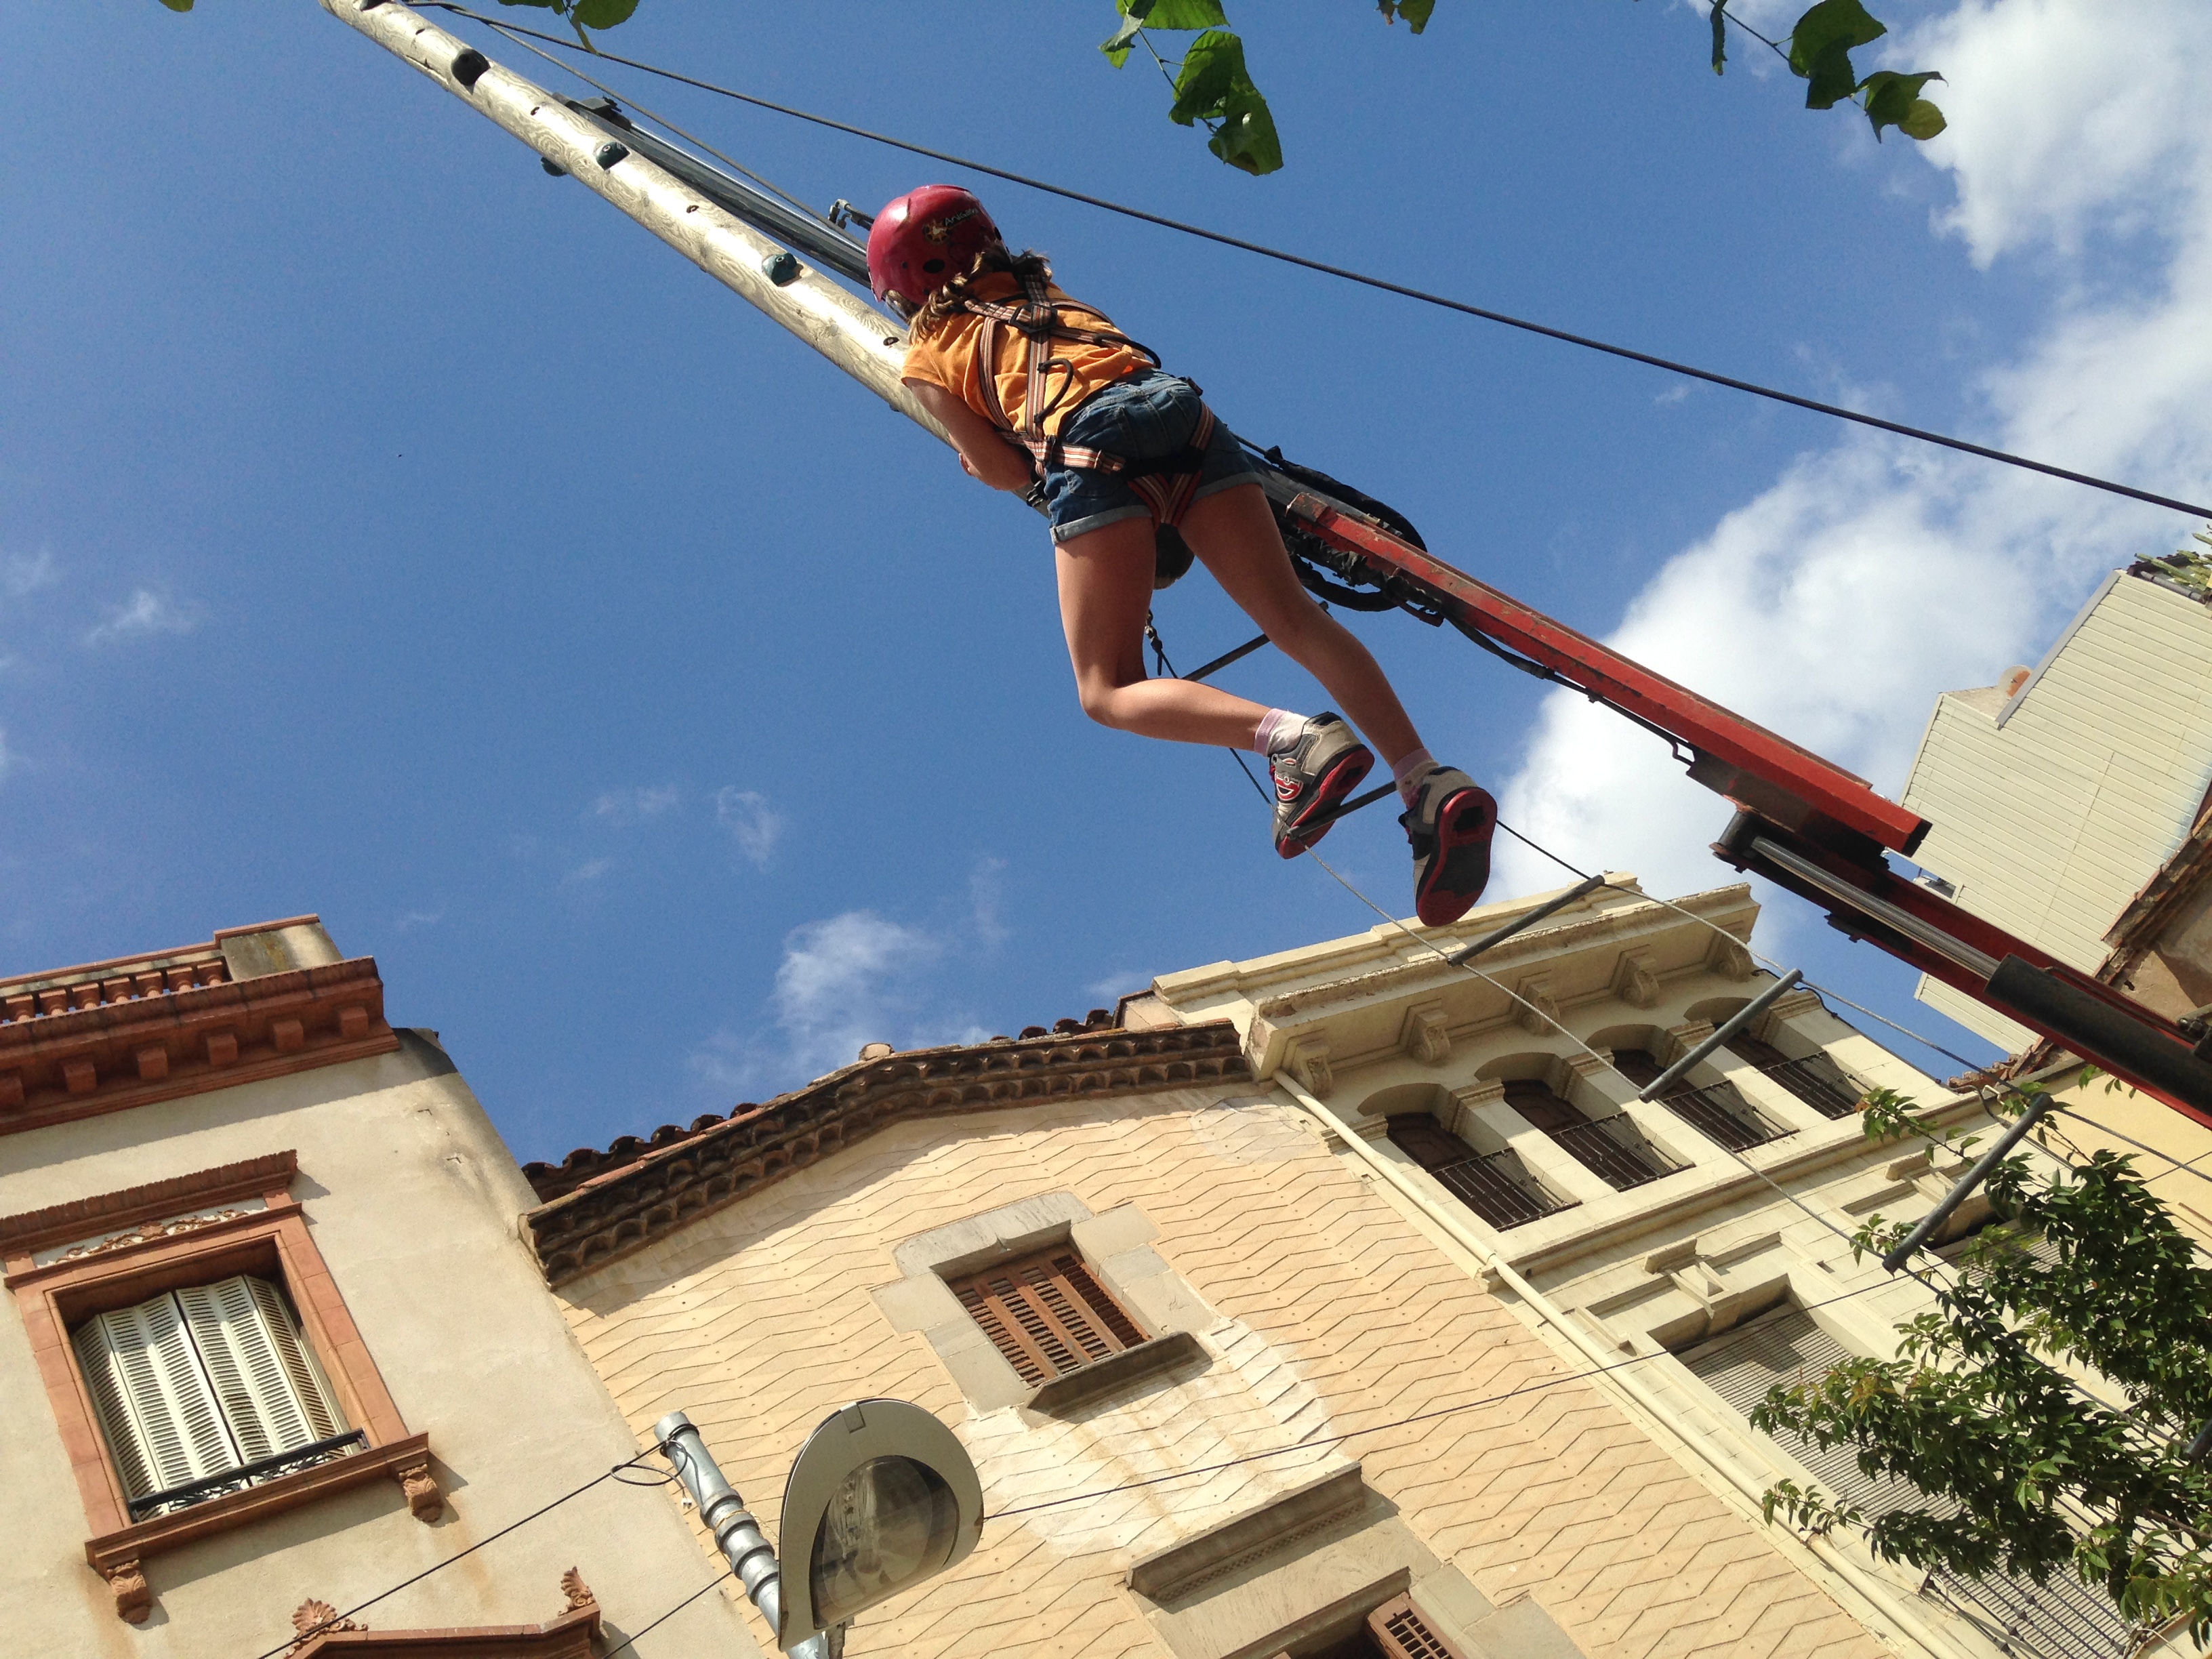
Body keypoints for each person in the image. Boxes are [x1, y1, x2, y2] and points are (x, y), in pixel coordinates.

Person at [872, 184, 1498, 926]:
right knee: (1296, 618)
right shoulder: (1041, 286)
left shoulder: (925, 352)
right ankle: (1422, 777)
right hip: (1182, 413)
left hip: (1088, 450)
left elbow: (1008, 472)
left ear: (901, 287)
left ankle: (1292, 739)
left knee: (1105, 689)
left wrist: (977, 460)